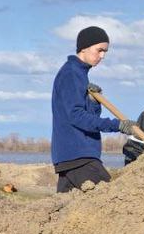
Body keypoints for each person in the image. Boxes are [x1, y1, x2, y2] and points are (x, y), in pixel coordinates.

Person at [50, 25, 134, 192]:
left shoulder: (80, 73)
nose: (102, 56)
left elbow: (87, 115)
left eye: (105, 52)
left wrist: (94, 102)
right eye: (99, 50)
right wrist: (116, 125)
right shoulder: (71, 73)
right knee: (111, 199)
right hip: (78, 154)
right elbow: (76, 116)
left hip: (73, 156)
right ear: (84, 47)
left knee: (66, 212)